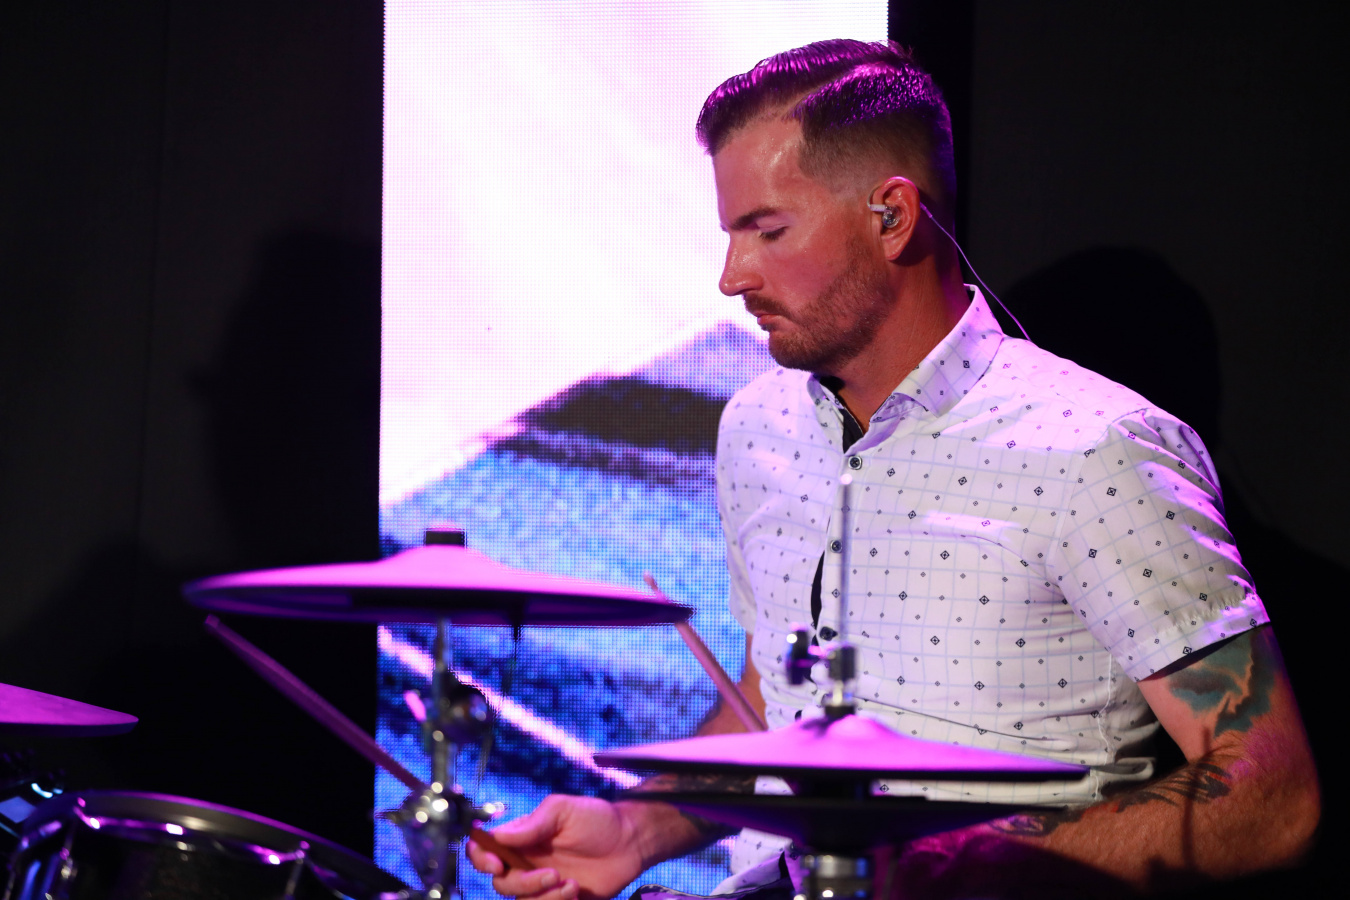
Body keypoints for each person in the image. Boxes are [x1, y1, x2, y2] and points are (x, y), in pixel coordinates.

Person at [467, 40, 1319, 899]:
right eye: (731, 235)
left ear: (894, 216)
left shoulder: (1098, 449)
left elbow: (1270, 795)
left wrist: (966, 870)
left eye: (768, 231)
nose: (732, 276)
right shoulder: (757, 428)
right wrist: (635, 827)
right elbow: (776, 708)